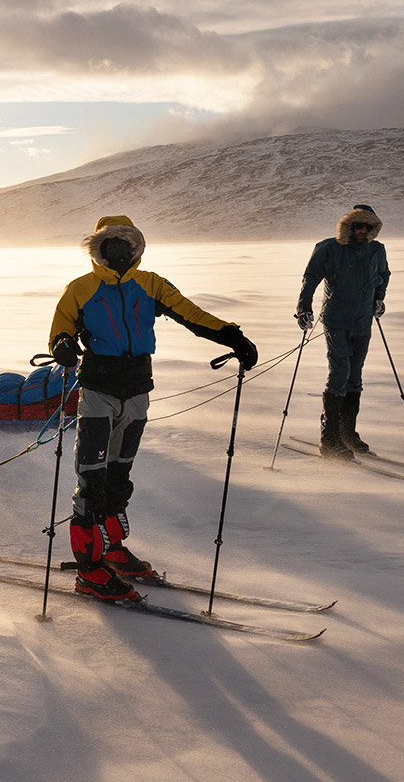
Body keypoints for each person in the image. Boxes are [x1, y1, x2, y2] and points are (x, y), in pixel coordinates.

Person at [48, 216, 258, 601]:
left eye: (125, 244)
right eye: (109, 245)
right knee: (91, 481)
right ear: (98, 249)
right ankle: (89, 571)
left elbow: (190, 314)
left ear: (136, 248)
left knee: (118, 478)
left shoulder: (151, 285)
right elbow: (59, 330)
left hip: (137, 391)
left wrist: (231, 335)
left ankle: (113, 550)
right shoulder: (81, 288)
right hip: (97, 391)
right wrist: (62, 345)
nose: (118, 251)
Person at [295, 204, 391, 460]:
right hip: (336, 320)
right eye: (357, 225)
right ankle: (330, 439)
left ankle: (348, 434)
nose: (362, 231)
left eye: (367, 226)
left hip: (363, 322)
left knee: (355, 376)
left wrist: (379, 299)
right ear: (348, 226)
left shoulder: (376, 250)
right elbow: (311, 276)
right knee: (340, 373)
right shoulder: (329, 248)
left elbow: (383, 275)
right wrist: (304, 306)